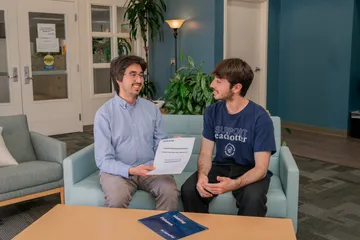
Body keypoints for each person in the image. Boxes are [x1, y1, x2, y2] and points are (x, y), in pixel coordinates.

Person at [181, 58, 276, 217]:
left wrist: (234, 184)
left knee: (253, 199)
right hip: (221, 166)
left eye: (218, 81)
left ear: (237, 87)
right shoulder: (212, 111)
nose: (212, 85)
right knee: (190, 190)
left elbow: (260, 169)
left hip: (250, 169)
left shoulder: (260, 118)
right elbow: (205, 152)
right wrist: (203, 175)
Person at [94, 55, 179, 210]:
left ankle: (163, 233)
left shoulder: (151, 109)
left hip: (150, 169)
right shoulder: (104, 114)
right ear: (118, 79)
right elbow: (103, 161)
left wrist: (171, 147)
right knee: (117, 198)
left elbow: (160, 142)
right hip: (118, 172)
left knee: (170, 191)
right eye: (133, 74)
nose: (139, 80)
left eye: (141, 75)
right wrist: (131, 170)